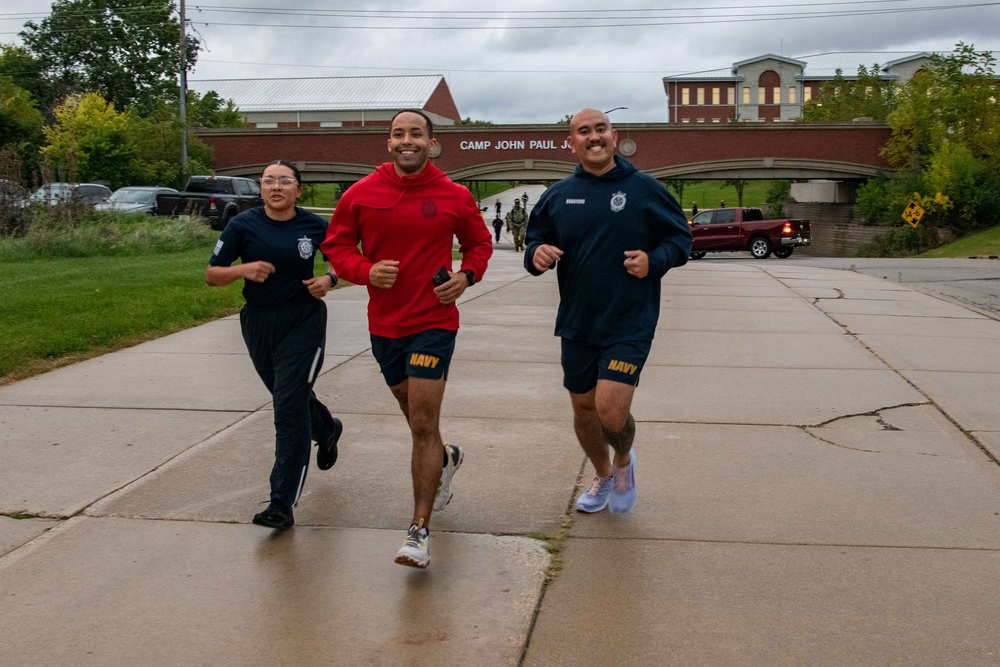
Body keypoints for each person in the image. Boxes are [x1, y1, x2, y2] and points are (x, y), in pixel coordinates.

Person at [322, 109, 492, 569]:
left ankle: (418, 530)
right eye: (399, 134)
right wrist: (364, 271)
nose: (407, 140)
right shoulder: (361, 193)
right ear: (389, 143)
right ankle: (446, 457)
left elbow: (480, 245)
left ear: (431, 142)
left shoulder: (454, 195)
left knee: (420, 424)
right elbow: (336, 247)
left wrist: (466, 276)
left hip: (435, 322)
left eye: (416, 133)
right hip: (385, 326)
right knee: (416, 417)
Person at [524, 108, 692, 516]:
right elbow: (533, 243)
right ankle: (601, 472)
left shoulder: (644, 188)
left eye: (601, 130)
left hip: (630, 320)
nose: (594, 137)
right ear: (572, 142)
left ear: (614, 137)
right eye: (584, 131)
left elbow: (680, 239)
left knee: (610, 409)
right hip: (579, 321)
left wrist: (654, 261)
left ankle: (622, 462)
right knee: (583, 409)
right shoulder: (558, 196)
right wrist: (536, 254)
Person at [206, 160, 343, 530]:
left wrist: (328, 278)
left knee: (287, 408)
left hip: (304, 321)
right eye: (268, 181)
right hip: (258, 322)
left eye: (285, 181)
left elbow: (341, 261)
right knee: (289, 396)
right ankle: (327, 427)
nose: (276, 187)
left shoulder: (314, 226)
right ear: (261, 189)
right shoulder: (241, 225)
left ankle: (281, 503)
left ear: (299, 189)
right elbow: (212, 274)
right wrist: (242, 270)